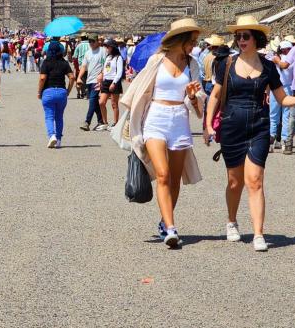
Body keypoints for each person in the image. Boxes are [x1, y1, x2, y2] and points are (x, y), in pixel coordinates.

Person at [205, 16, 295, 252]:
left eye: (245, 36)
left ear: (256, 39)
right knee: (234, 182)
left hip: (259, 128)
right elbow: (215, 96)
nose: (241, 40)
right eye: (238, 36)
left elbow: (282, 98)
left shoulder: (269, 66)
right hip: (232, 126)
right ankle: (231, 221)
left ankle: (258, 234)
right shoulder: (226, 64)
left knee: (255, 181)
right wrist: (209, 125)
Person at [119, 18, 205, 248]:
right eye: (192, 41)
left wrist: (193, 96)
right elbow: (140, 88)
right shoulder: (157, 60)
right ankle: (171, 228)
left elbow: (198, 103)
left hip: (179, 120)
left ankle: (164, 222)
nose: (195, 46)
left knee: (175, 179)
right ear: (181, 39)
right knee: (163, 174)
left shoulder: (193, 64)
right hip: (156, 118)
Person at [38, 41, 75, 148]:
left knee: (49, 116)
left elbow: (42, 78)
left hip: (48, 91)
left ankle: (52, 135)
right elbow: (72, 77)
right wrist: (68, 90)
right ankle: (58, 140)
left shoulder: (46, 62)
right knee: (59, 117)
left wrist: (39, 92)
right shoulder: (64, 62)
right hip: (61, 92)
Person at [269, 40, 294, 153]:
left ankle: (271, 140)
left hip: (275, 88)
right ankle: (284, 140)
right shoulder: (292, 60)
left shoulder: (273, 59)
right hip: (287, 88)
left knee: (273, 116)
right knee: (286, 116)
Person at [77, 34, 105, 131]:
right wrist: (79, 77)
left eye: (93, 41)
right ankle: (101, 121)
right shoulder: (88, 53)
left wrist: (102, 73)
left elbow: (106, 64)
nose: (91, 43)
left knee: (92, 100)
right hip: (89, 80)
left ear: (98, 41)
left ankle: (87, 122)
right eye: (90, 41)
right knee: (94, 102)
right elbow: (84, 66)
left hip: (98, 80)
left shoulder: (103, 51)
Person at [98, 38, 124, 129]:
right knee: (101, 102)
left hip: (114, 81)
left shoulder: (118, 57)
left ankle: (116, 123)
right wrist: (101, 78)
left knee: (114, 104)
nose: (106, 48)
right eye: (106, 46)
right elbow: (105, 69)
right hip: (106, 81)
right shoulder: (107, 57)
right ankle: (105, 122)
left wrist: (114, 83)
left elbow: (119, 72)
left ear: (112, 47)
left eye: (107, 46)